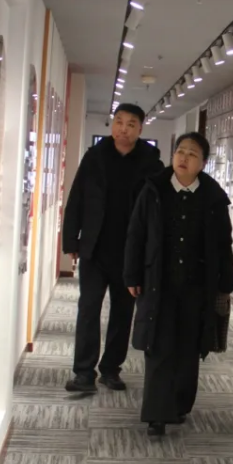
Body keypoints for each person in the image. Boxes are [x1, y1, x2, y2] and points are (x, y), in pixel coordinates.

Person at [124, 132, 233, 436]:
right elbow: (136, 234)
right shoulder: (153, 190)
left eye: (192, 154)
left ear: (203, 163)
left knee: (189, 346)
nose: (184, 158)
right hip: (158, 283)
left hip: (198, 286)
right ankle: (156, 414)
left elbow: (223, 242)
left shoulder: (213, 197)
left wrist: (226, 281)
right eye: (180, 151)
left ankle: (179, 404)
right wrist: (131, 275)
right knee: (158, 346)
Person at [61, 103, 163, 393]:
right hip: (95, 247)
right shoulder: (94, 156)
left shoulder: (151, 163)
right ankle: (83, 373)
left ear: (140, 129)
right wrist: (71, 240)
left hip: (130, 253)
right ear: (112, 124)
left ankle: (110, 369)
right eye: (119, 122)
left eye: (131, 124)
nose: (123, 129)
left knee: (123, 311)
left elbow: (156, 210)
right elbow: (77, 197)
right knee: (88, 308)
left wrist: (151, 251)